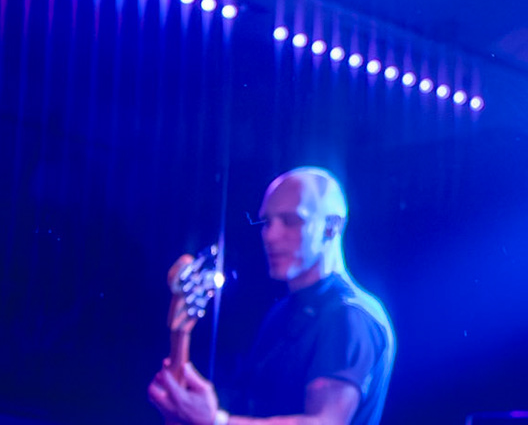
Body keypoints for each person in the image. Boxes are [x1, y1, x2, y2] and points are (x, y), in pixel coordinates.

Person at [148, 168, 395, 425]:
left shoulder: (349, 316)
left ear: (331, 226)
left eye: (290, 220)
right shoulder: (281, 314)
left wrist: (217, 421)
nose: (270, 235)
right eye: (266, 222)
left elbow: (324, 422)